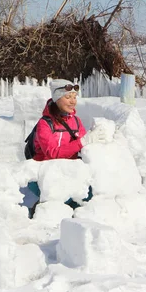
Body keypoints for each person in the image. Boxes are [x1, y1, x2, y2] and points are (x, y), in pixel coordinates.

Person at [27, 79, 107, 217]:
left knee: (88, 195)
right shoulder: (45, 124)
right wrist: (83, 141)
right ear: (57, 98)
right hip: (45, 173)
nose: (73, 101)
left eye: (75, 97)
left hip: (69, 171)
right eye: (68, 97)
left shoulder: (76, 121)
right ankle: (41, 211)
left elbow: (83, 146)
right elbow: (52, 153)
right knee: (58, 197)